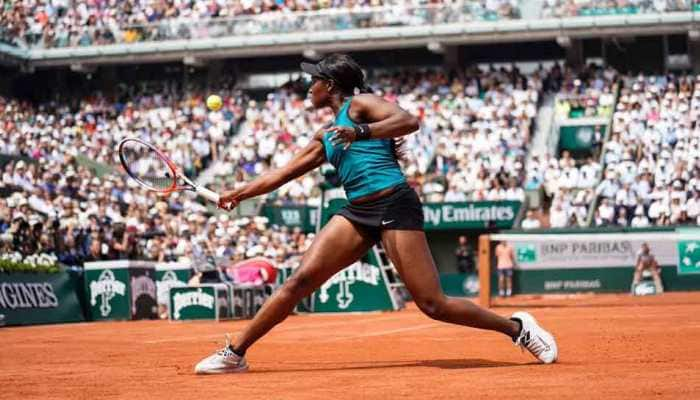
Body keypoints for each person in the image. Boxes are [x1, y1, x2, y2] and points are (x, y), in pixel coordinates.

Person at [194, 54, 557, 374]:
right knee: (298, 282)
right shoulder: (326, 135)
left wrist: (360, 131)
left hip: (394, 203)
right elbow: (280, 174)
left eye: (313, 80)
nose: (308, 86)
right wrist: (236, 194)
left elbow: (408, 121)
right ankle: (235, 353)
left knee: (433, 304)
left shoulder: (360, 104)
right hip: (357, 211)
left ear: (330, 84)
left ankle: (517, 328)